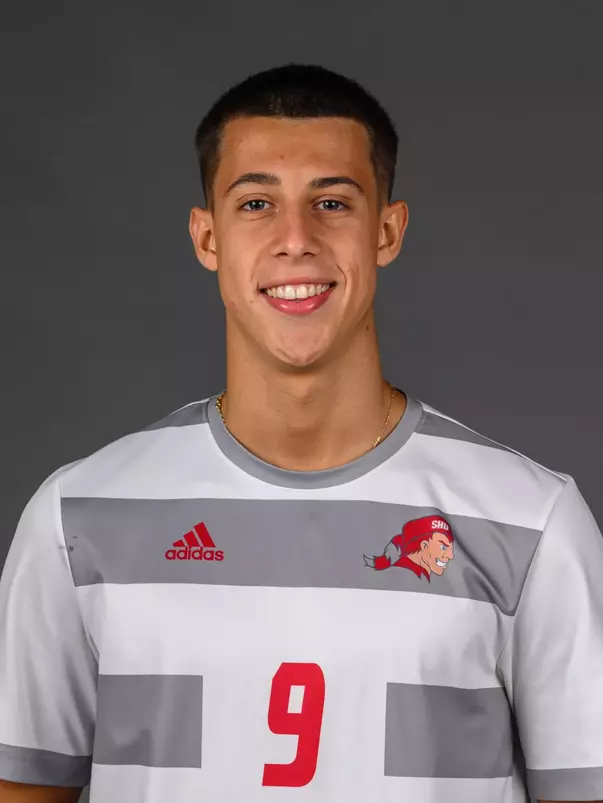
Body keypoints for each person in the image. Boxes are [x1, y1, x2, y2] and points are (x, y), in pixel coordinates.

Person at [0, 63, 602, 803]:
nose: (295, 239)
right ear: (206, 236)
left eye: (331, 202)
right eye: (255, 203)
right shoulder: (76, 519)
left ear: (387, 229)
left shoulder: (531, 524)